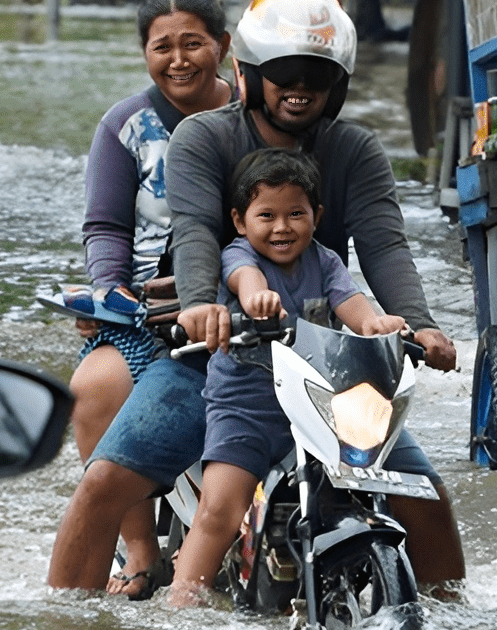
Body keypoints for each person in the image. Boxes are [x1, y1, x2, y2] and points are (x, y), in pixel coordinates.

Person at [47, 0, 466, 597]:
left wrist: (418, 323)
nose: (300, 90)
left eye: (316, 78)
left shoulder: (355, 149)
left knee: (423, 494)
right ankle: (65, 623)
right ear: (248, 73)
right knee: (103, 484)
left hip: (324, 363)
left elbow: (384, 245)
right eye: (283, 75)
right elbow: (194, 231)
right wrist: (200, 307)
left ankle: (449, 618)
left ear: (338, 85)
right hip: (216, 358)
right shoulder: (202, 138)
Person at [167, 148, 408, 605]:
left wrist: (376, 326)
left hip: (319, 404)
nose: (282, 227)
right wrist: (257, 300)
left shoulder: (326, 261)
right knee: (220, 509)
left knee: (379, 485)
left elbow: (352, 305)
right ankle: (182, 602)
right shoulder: (238, 255)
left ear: (317, 216)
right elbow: (245, 280)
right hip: (247, 408)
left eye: (296, 214)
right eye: (267, 215)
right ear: (240, 221)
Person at [71, 0, 235, 599]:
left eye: (193, 43)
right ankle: (140, 549)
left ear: (223, 46)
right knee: (95, 388)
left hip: (240, 299)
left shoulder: (253, 114)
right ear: (144, 53)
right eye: (162, 47)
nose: (178, 59)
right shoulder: (125, 125)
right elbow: (106, 226)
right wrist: (108, 292)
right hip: (146, 309)